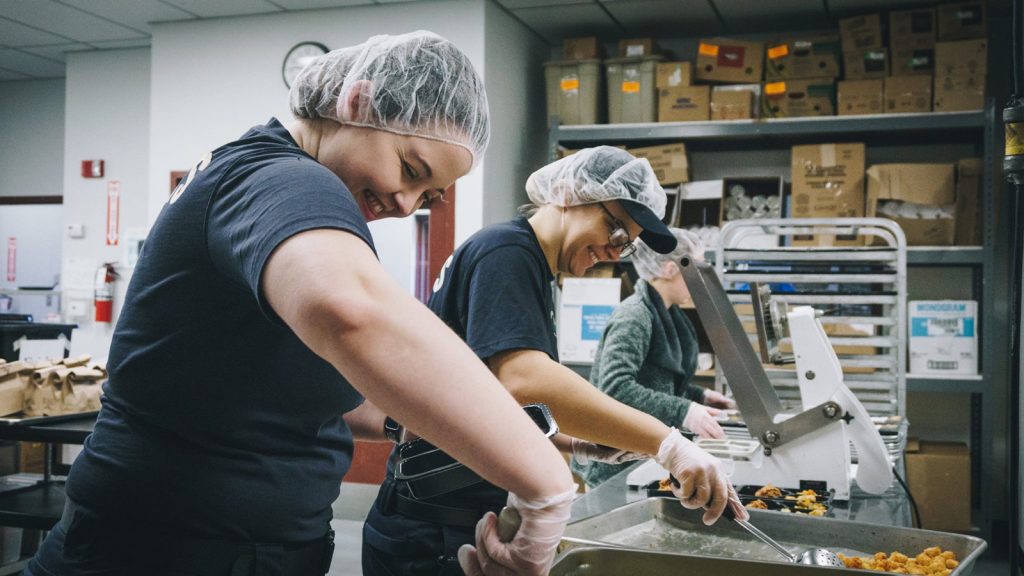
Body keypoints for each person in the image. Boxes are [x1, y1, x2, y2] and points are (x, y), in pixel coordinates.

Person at [25, 31, 576, 576]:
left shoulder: (273, 186)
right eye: (410, 170)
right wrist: (544, 483)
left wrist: (500, 428)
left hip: (222, 543)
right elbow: (352, 313)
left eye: (429, 196)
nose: (407, 203)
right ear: (357, 103)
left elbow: (276, 384)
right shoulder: (280, 177)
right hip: (163, 548)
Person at [362, 146, 748, 576]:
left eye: (627, 243)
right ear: (568, 192)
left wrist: (574, 440)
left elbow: (489, 400)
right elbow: (525, 380)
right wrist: (668, 444)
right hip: (430, 531)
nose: (615, 250)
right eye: (615, 228)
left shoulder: (529, 267)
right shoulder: (507, 252)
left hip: (451, 520)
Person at [572, 228, 738, 488]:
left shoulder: (668, 313)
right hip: (615, 463)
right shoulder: (634, 316)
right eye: (695, 269)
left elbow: (655, 377)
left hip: (644, 454)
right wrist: (683, 410)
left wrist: (698, 396)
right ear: (670, 269)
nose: (700, 279)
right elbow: (615, 389)